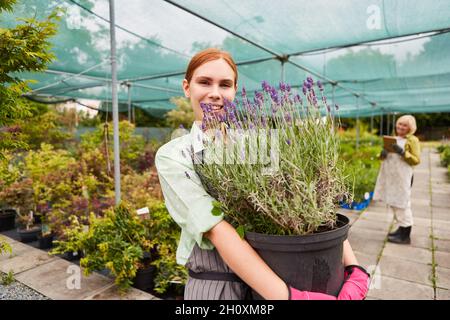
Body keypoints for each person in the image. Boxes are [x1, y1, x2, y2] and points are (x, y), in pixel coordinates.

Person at [155, 48, 369, 300]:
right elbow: (216, 229)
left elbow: (309, 209)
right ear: (187, 87)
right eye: (204, 82)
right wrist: (289, 297)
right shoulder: (174, 155)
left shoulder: (257, 145)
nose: (215, 93)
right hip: (220, 289)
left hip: (282, 275)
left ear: (235, 90)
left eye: (225, 84)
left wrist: (353, 266)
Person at [373, 115, 421, 244]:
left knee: (403, 204)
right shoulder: (392, 139)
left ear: (410, 127)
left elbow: (416, 160)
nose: (400, 127)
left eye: (404, 125)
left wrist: (402, 152)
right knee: (393, 202)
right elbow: (383, 157)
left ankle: (405, 236)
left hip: (402, 177)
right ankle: (401, 229)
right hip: (390, 177)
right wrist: (382, 154)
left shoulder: (413, 140)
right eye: (399, 124)